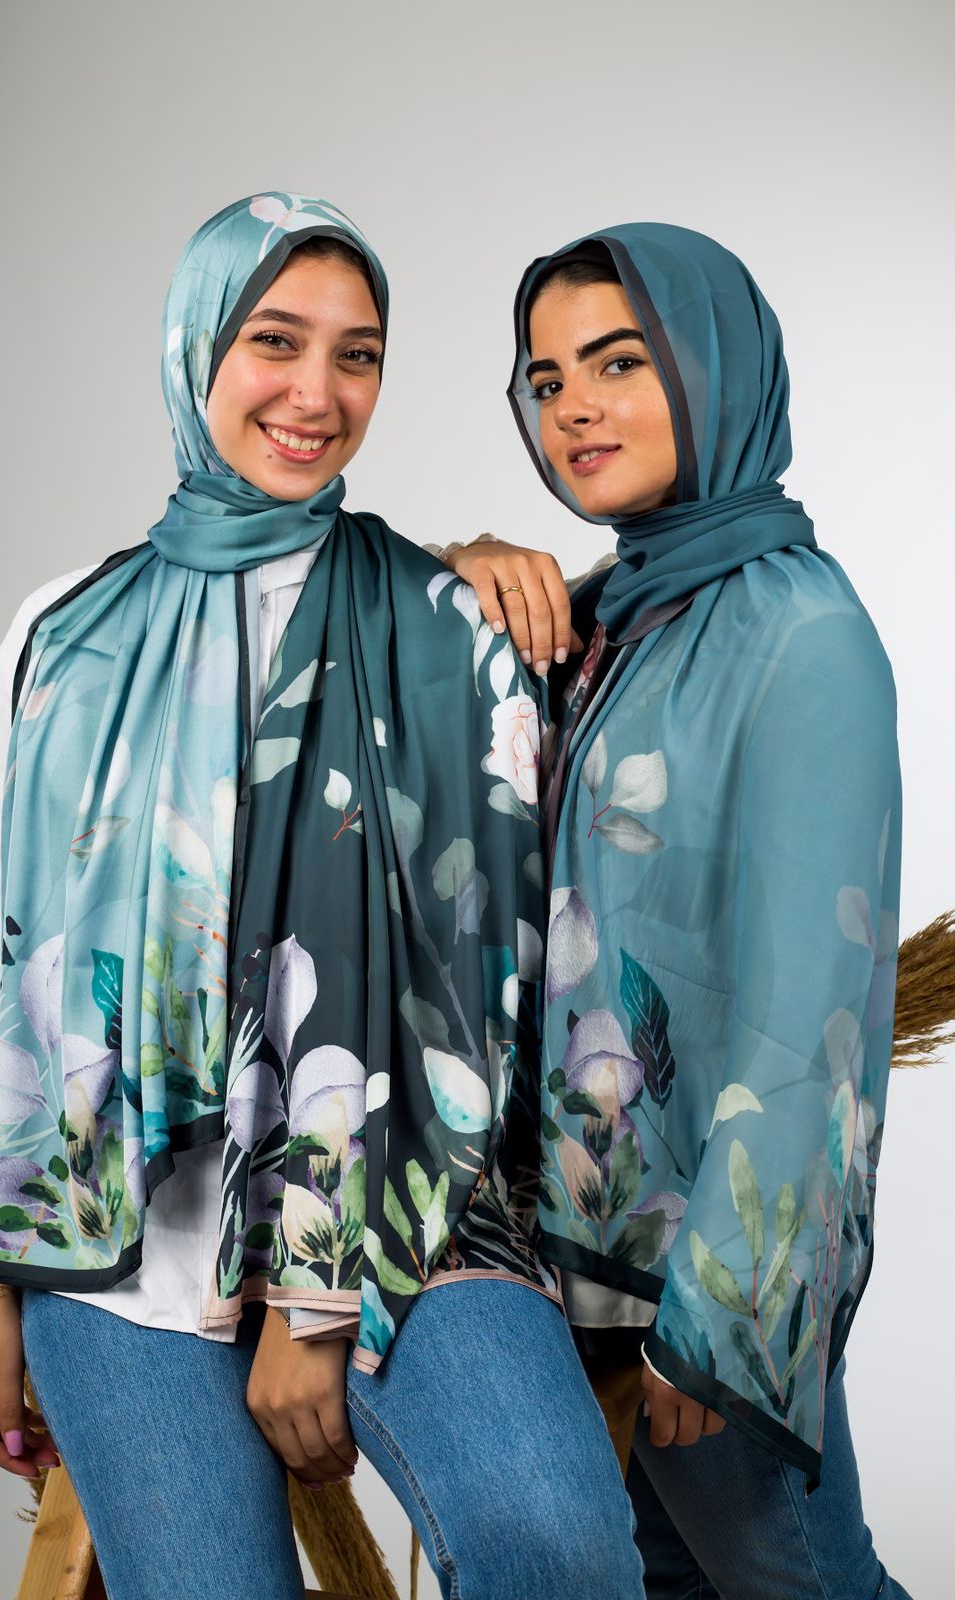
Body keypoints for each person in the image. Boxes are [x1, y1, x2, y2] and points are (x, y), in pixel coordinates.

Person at [0, 193, 647, 1600]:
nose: (316, 394)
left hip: (404, 1209)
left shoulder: (447, 624)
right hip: (124, 1228)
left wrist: (317, 1301)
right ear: (196, 344)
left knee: (558, 1547)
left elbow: (473, 981)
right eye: (275, 341)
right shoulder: (62, 632)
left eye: (357, 355)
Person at [444, 224, 909, 1598]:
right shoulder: (603, 616)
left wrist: (721, 1314)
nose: (573, 408)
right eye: (544, 381)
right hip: (575, 1259)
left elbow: (809, 1015)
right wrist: (455, 561)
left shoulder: (801, 633)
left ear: (716, 367)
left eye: (618, 362)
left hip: (693, 1287)